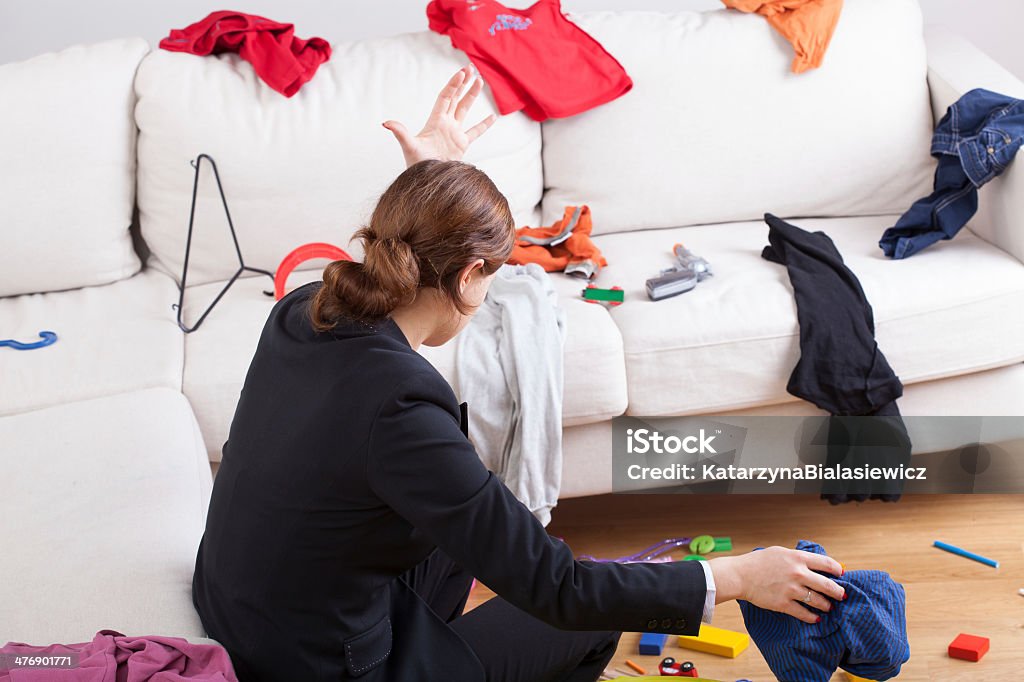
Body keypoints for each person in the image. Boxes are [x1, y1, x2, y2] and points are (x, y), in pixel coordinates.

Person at [191, 67, 847, 682]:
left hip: (250, 604)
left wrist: (435, 189)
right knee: (588, 621)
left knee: (466, 526)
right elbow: (562, 590)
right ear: (470, 275)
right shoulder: (400, 409)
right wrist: (736, 576)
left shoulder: (302, 311)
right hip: (316, 665)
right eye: (488, 281)